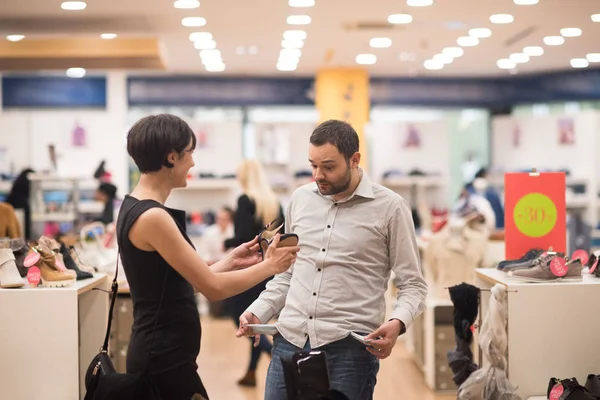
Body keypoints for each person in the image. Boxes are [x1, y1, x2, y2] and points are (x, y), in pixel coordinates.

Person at [237, 119, 428, 400]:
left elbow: (413, 284)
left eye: (328, 167)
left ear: (354, 160)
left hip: (349, 350)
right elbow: (288, 273)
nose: (317, 175)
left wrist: (397, 323)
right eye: (313, 165)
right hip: (288, 341)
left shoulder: (390, 208)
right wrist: (259, 310)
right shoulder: (300, 200)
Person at [118, 113, 299, 400]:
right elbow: (212, 289)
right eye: (190, 153)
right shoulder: (153, 216)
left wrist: (229, 261)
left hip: (163, 355)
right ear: (171, 157)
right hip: (163, 359)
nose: (193, 162)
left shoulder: (137, 207)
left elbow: (174, 283)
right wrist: (271, 265)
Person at [224, 159, 284, 387]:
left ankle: (274, 354)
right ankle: (250, 372)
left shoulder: (244, 200)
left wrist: (227, 241)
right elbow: (272, 235)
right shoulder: (273, 202)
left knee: (238, 316)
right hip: (267, 268)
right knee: (256, 320)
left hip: (247, 269)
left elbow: (243, 237)